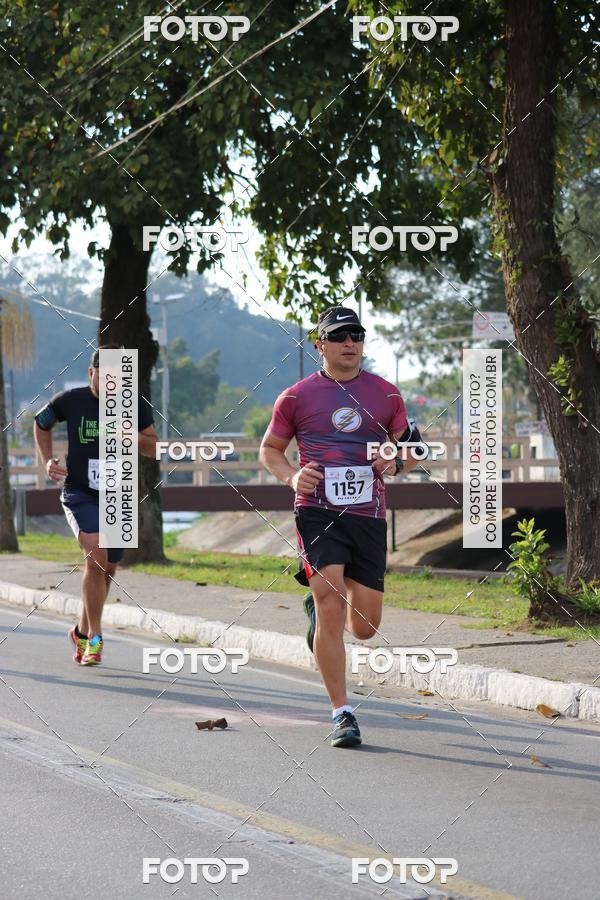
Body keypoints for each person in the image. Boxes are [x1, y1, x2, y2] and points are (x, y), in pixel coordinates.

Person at [259, 307, 421, 748]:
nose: (350, 343)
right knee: (330, 599)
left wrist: (398, 461)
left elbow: (414, 446)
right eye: (340, 336)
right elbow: (270, 449)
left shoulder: (386, 395)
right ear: (320, 346)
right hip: (315, 510)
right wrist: (291, 476)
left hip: (368, 515)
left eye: (357, 335)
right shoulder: (295, 397)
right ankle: (342, 713)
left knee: (365, 626)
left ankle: (317, 618)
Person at [33, 346, 158, 666]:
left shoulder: (133, 406)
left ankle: (80, 630)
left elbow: (153, 447)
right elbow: (41, 423)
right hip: (79, 492)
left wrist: (130, 436)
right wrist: (47, 461)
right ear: (92, 374)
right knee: (96, 556)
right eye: (105, 377)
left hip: (119, 495)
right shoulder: (69, 401)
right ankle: (96, 639)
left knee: (108, 568)